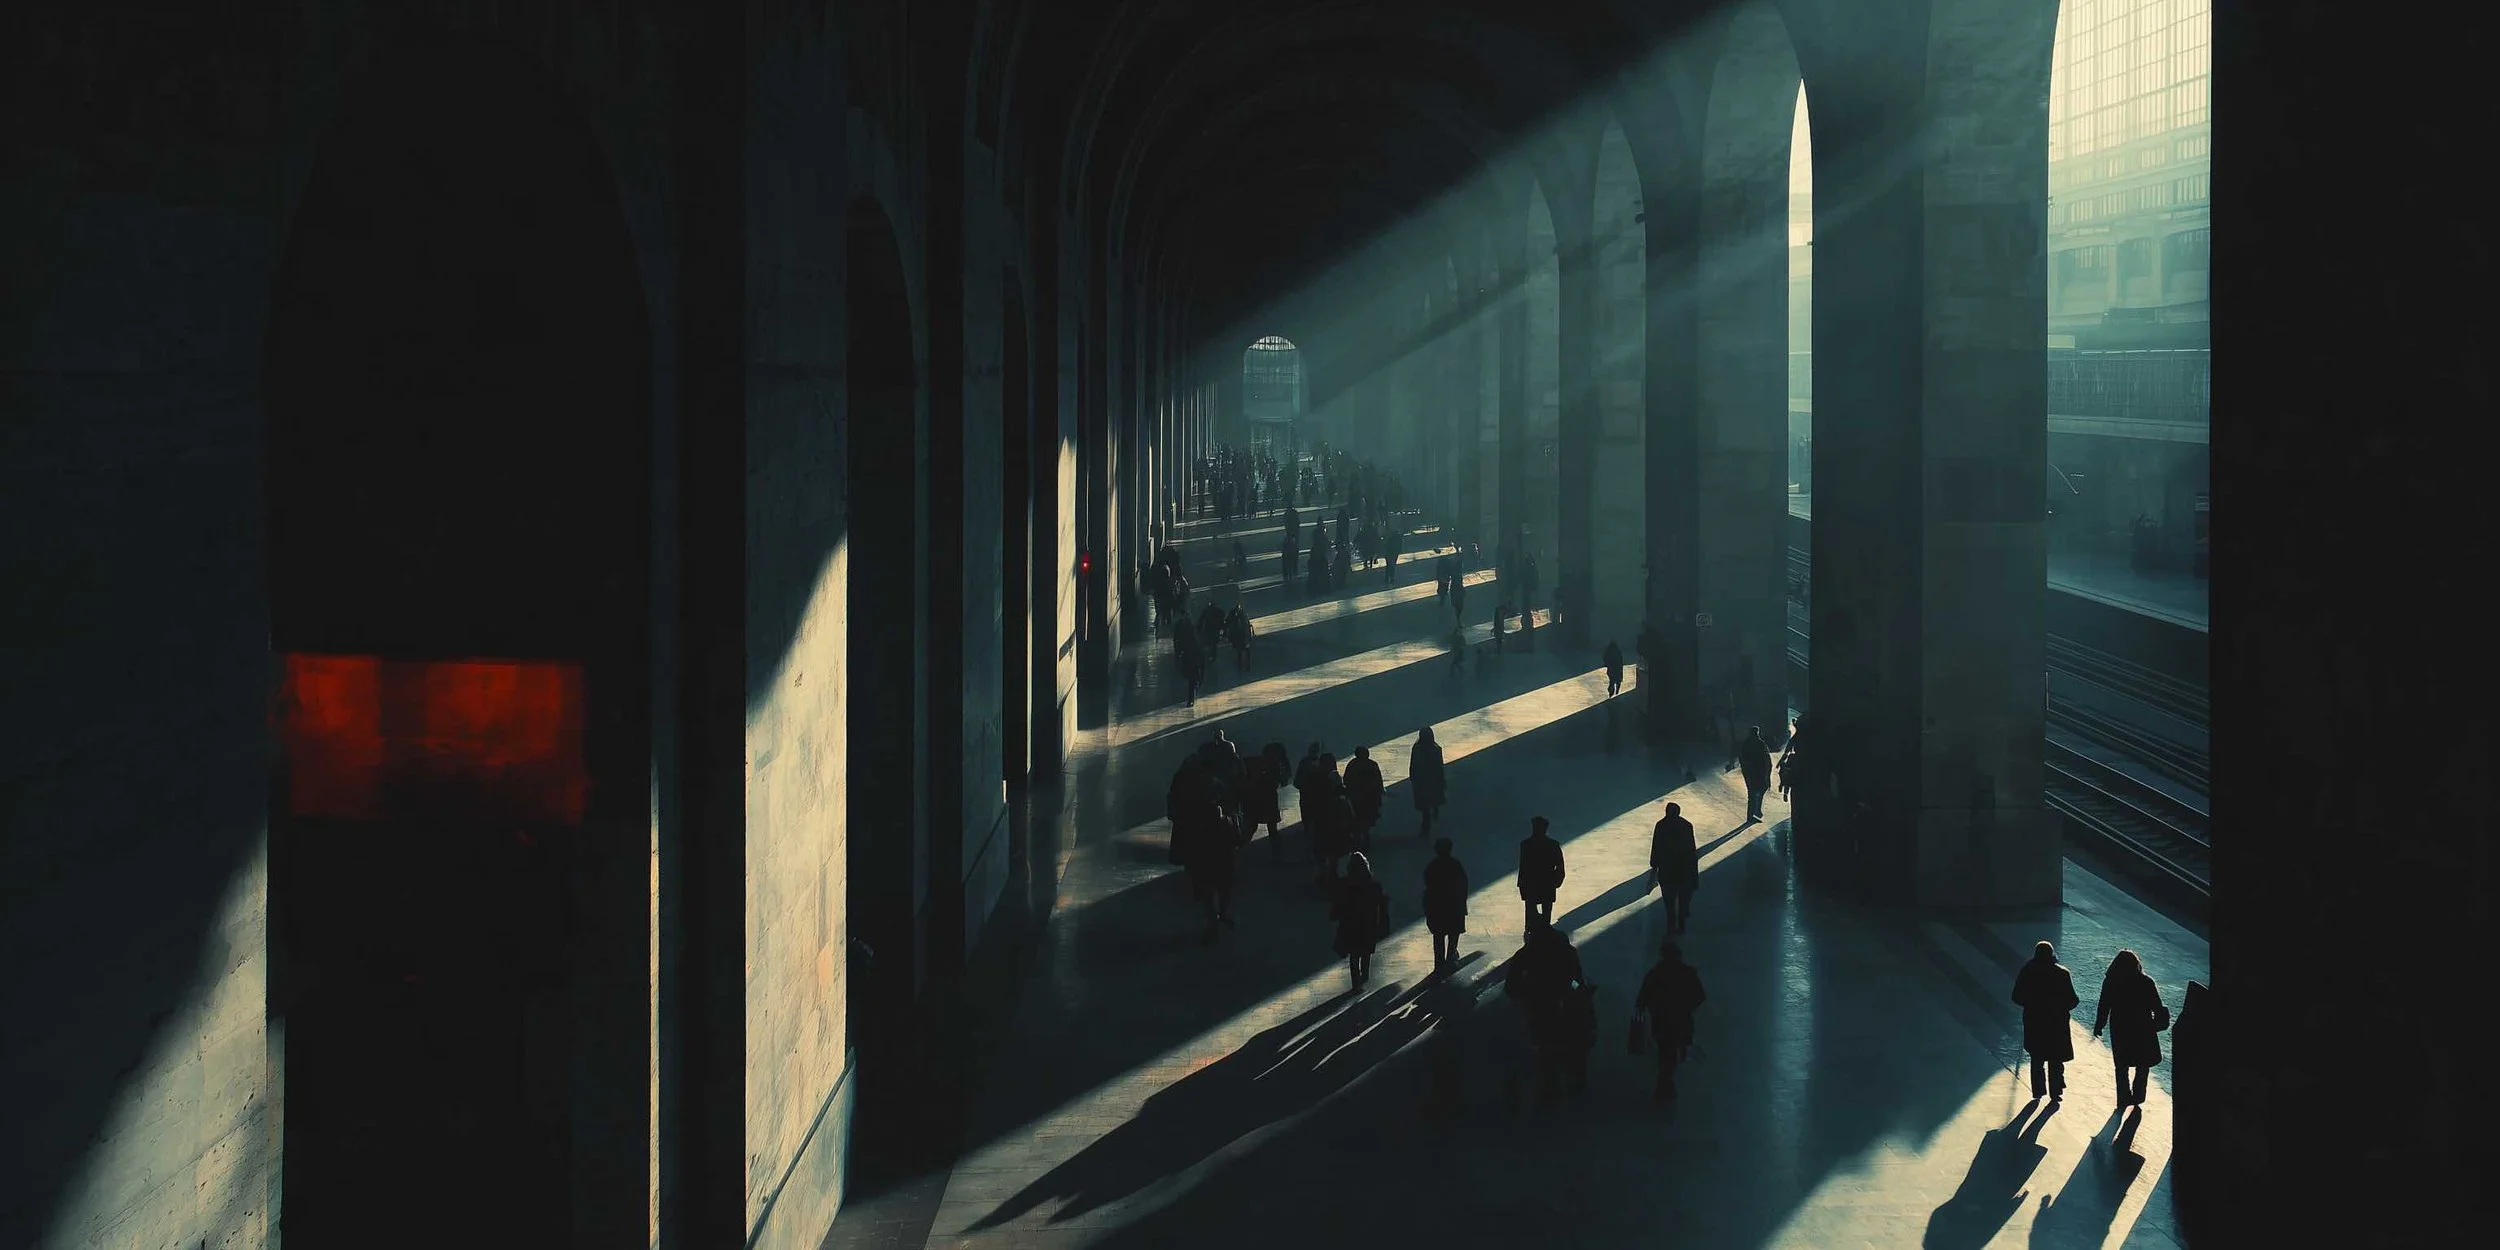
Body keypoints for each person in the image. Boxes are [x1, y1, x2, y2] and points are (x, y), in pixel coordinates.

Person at [1506, 918, 1592, 1097]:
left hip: (1539, 1005)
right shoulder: (1568, 951)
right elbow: (1577, 977)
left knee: (1544, 1045)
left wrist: (1523, 997)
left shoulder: (1526, 953)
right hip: (1564, 1003)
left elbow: (1511, 986)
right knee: (1571, 1043)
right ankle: (1575, 1079)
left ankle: (1550, 1086)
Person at [2093, 949, 2170, 1109]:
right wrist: (2156, 1024)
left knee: (2121, 1066)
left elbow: (2104, 1006)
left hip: (2120, 1027)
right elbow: (2157, 1006)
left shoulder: (2111, 981)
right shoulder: (2146, 982)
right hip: (2142, 1028)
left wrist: (2099, 1025)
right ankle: (2138, 1096)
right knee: (2143, 1064)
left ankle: (2123, 1098)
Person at [1633, 939, 1707, 1102]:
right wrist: (1687, 1008)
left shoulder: (1655, 975)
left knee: (1665, 1051)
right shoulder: (1687, 974)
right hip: (1681, 1021)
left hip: (1660, 1021)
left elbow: (1641, 1000)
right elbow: (1700, 996)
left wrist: (1649, 1009)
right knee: (1673, 1051)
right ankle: (1666, 1084)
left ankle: (1664, 1084)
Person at [2011, 940, 2082, 1100]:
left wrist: (2030, 1005)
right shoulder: (2062, 973)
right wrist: (2061, 1008)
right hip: (2056, 1022)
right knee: (2055, 1057)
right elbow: (2073, 1000)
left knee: (2037, 1057)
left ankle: (2038, 1091)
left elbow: (2016, 996)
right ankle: (2055, 1091)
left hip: (2034, 1020)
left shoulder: (2027, 971)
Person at [1184, 793, 1244, 942]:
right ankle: (1221, 914)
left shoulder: (1197, 827)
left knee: (1209, 896)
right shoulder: (1227, 823)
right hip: (1225, 863)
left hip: (1207, 865)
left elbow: (1191, 847)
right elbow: (1238, 840)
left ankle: (1213, 924)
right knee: (1224, 892)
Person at [1331, 852, 1390, 987]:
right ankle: (1364, 976)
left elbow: (1339, 902)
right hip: (1368, 923)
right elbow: (1380, 903)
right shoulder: (1374, 885)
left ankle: (1355, 982)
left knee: (1354, 954)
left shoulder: (1345, 884)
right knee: (1366, 951)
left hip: (1350, 924)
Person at [1650, 800, 1698, 933]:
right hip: (1684, 869)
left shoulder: (1661, 825)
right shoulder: (1687, 825)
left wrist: (1654, 866)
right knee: (1683, 897)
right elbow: (1691, 849)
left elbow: (1656, 847)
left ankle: (1671, 923)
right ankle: (1681, 923)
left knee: (1669, 899)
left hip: (1667, 869)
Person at [1422, 838, 1468, 968]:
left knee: (1438, 936)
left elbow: (1428, 886)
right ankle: (1451, 957)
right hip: (1453, 906)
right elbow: (1463, 886)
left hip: (1437, 907)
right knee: (1453, 935)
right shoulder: (1456, 865)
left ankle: (1439, 962)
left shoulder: (1433, 866)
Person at [1517, 815, 1565, 928]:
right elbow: (1560, 866)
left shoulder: (1525, 844)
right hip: (1547, 883)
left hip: (1531, 884)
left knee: (1531, 913)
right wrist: (1557, 881)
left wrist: (1521, 886)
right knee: (1546, 914)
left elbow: (1523, 867)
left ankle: (1532, 934)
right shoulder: (1553, 844)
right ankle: (1544, 934)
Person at [1251, 742, 1291, 860]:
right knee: (1271, 824)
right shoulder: (1273, 766)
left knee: (1265, 823)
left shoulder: (1262, 765)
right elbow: (1283, 779)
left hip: (1261, 797)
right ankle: (1276, 850)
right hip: (1268, 797)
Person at [1343, 745, 1384, 850]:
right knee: (1366, 818)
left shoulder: (1352, 765)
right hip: (1369, 797)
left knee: (1357, 817)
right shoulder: (1372, 765)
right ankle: (1365, 837)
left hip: (1357, 797)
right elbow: (1378, 781)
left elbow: (1346, 780)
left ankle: (1358, 838)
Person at [1409, 726, 1447, 836]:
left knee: (1424, 801)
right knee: (1433, 796)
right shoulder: (1436, 749)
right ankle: (1434, 808)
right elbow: (1440, 766)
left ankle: (1426, 821)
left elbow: (1413, 764)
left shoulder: (1416, 748)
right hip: (1433, 778)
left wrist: (1412, 776)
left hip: (1421, 779)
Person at [1739, 724, 1774, 820]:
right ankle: (1756, 811)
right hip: (1759, 773)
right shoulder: (1760, 743)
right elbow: (1767, 760)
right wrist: (1768, 774)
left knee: (1752, 794)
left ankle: (1752, 814)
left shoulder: (1746, 744)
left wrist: (1745, 771)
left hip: (1750, 773)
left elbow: (1742, 759)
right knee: (1759, 791)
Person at [1225, 603, 1253, 669]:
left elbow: (1227, 624)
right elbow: (1247, 625)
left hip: (1237, 635)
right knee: (1246, 649)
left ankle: (1240, 664)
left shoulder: (1232, 615)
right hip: (1243, 635)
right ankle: (1247, 664)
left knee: (1239, 650)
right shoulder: (1243, 614)